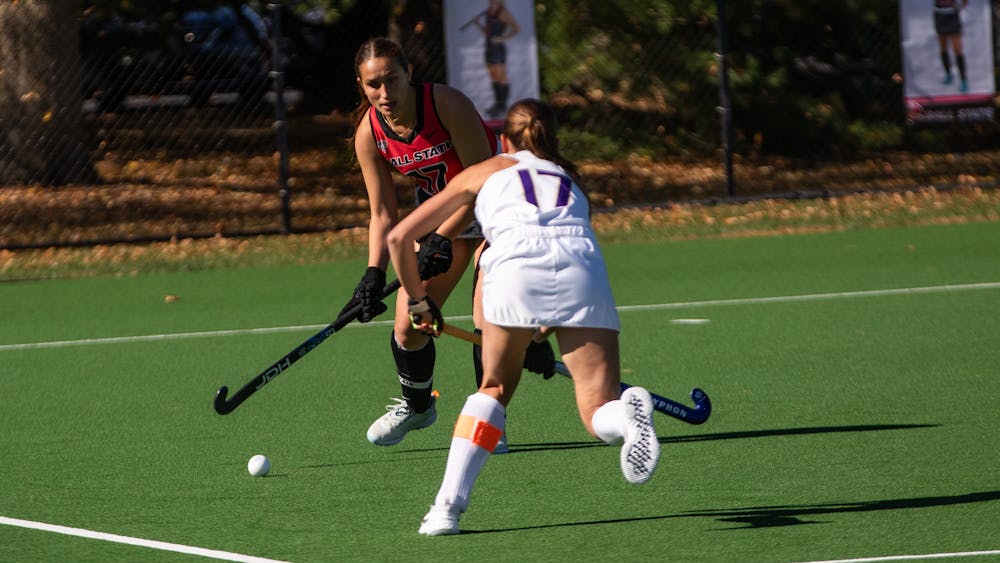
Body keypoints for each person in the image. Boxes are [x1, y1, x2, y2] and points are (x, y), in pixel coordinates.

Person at [386, 99, 661, 536]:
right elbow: (558, 250)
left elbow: (399, 237)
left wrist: (419, 303)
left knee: (493, 389)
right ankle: (626, 418)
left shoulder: (486, 170)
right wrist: (539, 334)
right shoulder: (571, 178)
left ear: (504, 138)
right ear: (551, 138)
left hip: (514, 263)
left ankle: (445, 511)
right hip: (582, 264)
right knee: (596, 410)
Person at [342, 37, 554, 451]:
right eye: (373, 85)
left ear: (409, 74)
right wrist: (372, 274)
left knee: (488, 319)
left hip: (500, 213)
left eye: (392, 80)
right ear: (361, 85)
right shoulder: (369, 133)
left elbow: (483, 182)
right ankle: (418, 406)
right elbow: (383, 214)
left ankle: (490, 422)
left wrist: (441, 237)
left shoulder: (447, 105)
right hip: (446, 222)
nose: (385, 93)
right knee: (408, 326)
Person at [473, 0, 520, 118]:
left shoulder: (503, 12)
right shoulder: (489, 12)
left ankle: (502, 106)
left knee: (501, 76)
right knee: (493, 76)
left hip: (497, 48)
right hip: (488, 46)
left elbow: (516, 28)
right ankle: (497, 105)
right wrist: (478, 24)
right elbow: (487, 32)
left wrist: (502, 38)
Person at [934, 0, 969, 92]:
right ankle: (948, 74)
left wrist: (960, 6)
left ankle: (963, 79)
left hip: (952, 16)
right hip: (940, 16)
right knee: (943, 47)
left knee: (957, 49)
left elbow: (965, 2)